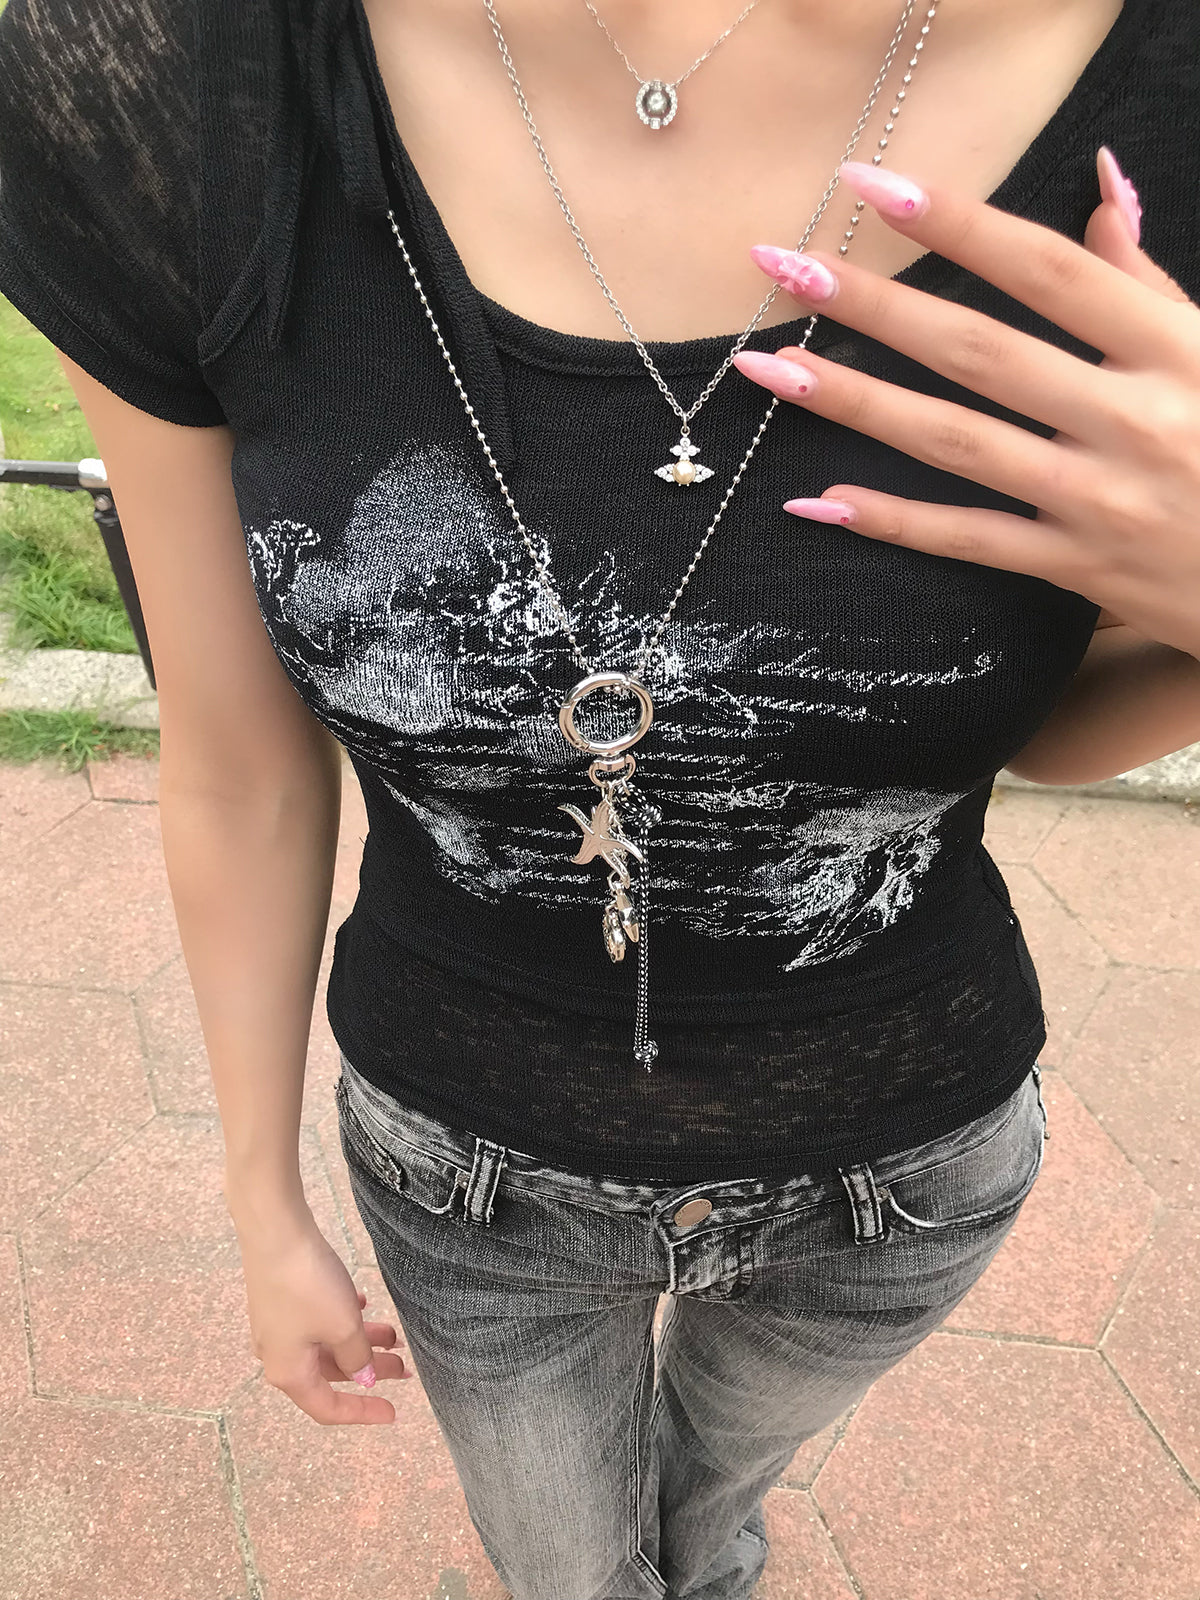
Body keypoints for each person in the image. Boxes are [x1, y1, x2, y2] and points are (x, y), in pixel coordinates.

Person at [2, 0, 1198, 1595]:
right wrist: (258, 1199)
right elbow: (234, 764)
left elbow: (1039, 726)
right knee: (569, 1571)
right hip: (463, 1172)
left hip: (901, 1176)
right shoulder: (172, 76)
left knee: (707, 1524)